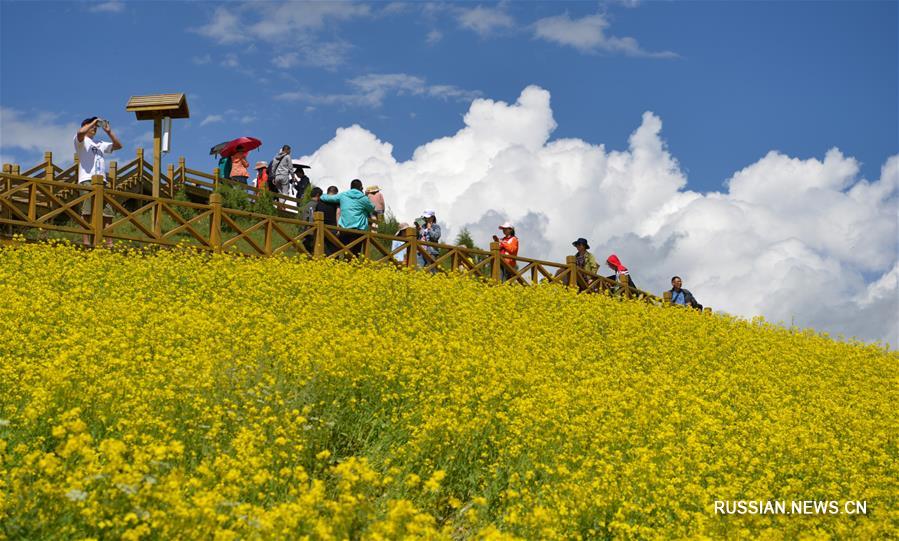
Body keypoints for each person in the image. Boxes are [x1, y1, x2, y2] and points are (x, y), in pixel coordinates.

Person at [75, 116, 122, 247]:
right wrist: (93, 122)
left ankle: (109, 242)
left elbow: (118, 146)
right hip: (87, 179)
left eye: (95, 127)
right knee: (87, 212)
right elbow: (80, 132)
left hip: (102, 181)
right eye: (91, 126)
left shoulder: (100, 143)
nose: (94, 128)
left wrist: (109, 132)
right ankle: (86, 242)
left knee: (107, 212)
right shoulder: (81, 141)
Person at [319, 179, 375, 257]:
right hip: (359, 230)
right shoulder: (363, 198)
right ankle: (352, 267)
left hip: (345, 229)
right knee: (355, 254)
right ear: (361, 188)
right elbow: (372, 208)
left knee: (343, 251)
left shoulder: (343, 195)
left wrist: (322, 195)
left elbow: (328, 198)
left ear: (351, 187)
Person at [300, 187, 323, 253]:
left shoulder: (308, 204)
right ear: (318, 195)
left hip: (305, 230)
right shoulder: (314, 204)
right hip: (310, 231)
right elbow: (311, 216)